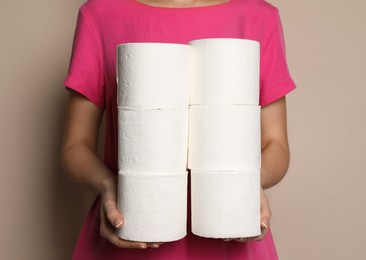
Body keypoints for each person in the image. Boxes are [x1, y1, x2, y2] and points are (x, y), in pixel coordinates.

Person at [61, 0, 297, 259]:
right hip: (133, 222)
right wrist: (108, 185)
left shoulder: (259, 17)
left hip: (232, 228)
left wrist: (246, 186)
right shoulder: (100, 14)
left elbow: (276, 143)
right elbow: (76, 146)